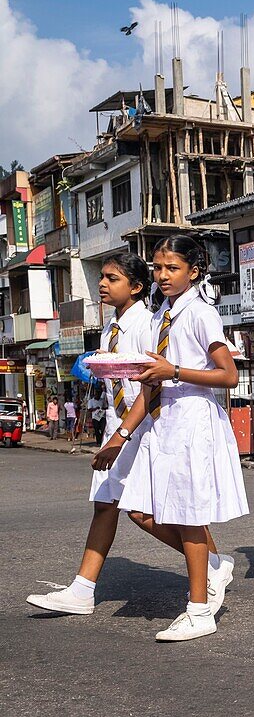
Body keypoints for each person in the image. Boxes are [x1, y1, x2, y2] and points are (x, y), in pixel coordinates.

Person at [108, 236, 248, 641]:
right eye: (157, 268)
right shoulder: (158, 318)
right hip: (160, 421)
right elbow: (151, 383)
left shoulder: (202, 314)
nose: (163, 275)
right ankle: (215, 565)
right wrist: (121, 435)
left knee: (189, 516)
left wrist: (175, 371)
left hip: (192, 422)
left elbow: (229, 375)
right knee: (138, 509)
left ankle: (199, 610)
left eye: (172, 268)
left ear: (194, 271)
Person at [25, 252, 173, 616]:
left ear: (136, 287)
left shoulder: (146, 325)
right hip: (116, 422)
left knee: (146, 512)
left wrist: (121, 435)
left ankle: (211, 562)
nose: (102, 284)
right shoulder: (111, 328)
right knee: (105, 507)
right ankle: (83, 589)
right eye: (102, 278)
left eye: (112, 278)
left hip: (140, 427)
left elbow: (152, 388)